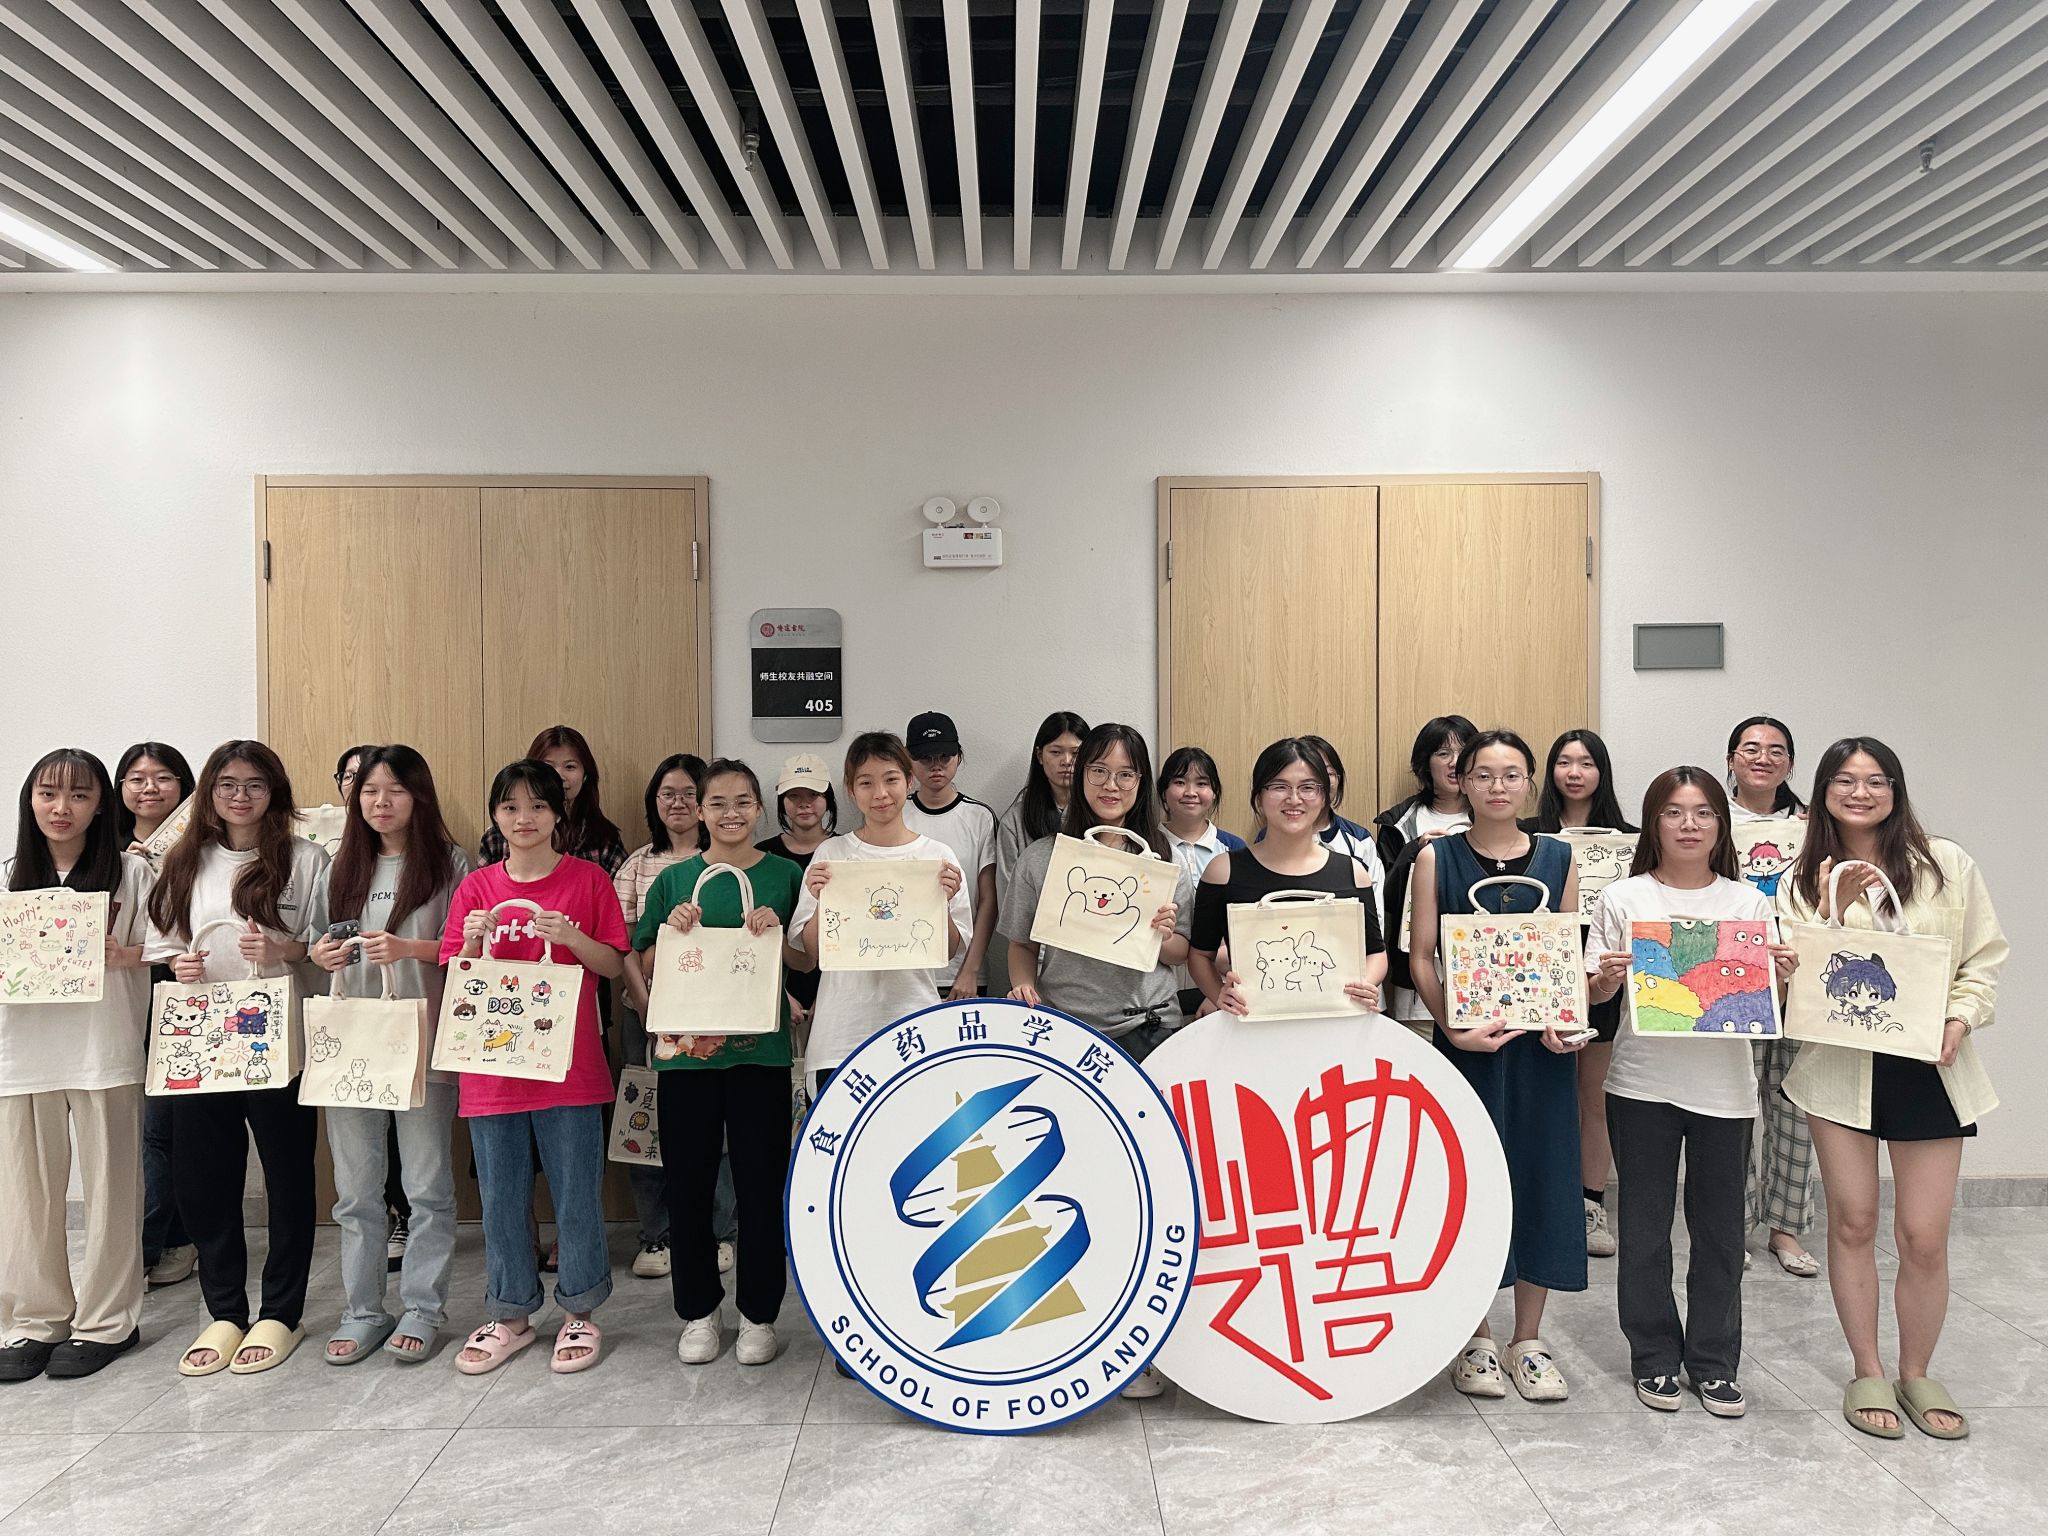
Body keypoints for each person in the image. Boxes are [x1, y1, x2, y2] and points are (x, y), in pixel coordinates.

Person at [1778, 737, 2005, 1442]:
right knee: (1851, 1222)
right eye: (1845, 781)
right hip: (1840, 1069)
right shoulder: (1800, 878)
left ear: (1896, 790)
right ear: (1823, 793)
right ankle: (1868, 1368)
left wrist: (1960, 1020)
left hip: (1930, 1067)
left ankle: (1917, 1370)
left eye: (1876, 780)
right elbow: (1793, 981)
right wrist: (1830, 910)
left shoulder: (1946, 864)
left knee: (1924, 1236)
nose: (1861, 793)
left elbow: (1982, 959)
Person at [1585, 766, 1800, 1418]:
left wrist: (1782, 975)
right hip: (1641, 1084)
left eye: (1703, 812)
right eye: (1674, 812)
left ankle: (1714, 1363)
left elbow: (1765, 1003)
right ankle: (1654, 1358)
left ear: (1720, 825)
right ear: (1653, 823)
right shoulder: (1622, 898)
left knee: (1721, 1235)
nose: (1688, 825)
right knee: (1645, 1232)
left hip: (1725, 1091)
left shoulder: (1749, 904)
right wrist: (1605, 979)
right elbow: (1592, 992)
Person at [1408, 729, 1587, 1402]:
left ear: (1529, 783)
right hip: (1468, 1052)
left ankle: (1528, 1341)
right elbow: (1420, 956)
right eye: (1484, 775)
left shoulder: (1559, 858)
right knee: (1471, 1183)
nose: (1498, 787)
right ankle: (1477, 1338)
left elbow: (1566, 952)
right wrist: (1453, 1029)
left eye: (1512, 774)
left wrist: (1563, 1022)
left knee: (1543, 1175)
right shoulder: (1437, 858)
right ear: (1462, 782)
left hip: (1541, 1052)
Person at [144, 740, 328, 1376]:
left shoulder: (304, 858)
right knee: (204, 1179)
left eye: (254, 784)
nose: (240, 796)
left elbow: (324, 944)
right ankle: (224, 1310)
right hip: (200, 1039)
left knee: (288, 1175)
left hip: (277, 1040)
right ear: (210, 793)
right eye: (227, 784)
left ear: (274, 791)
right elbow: (163, 939)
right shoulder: (184, 858)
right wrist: (179, 963)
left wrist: (285, 951)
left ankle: (282, 1311)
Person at [442, 760, 627, 1376]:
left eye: (538, 806)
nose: (524, 818)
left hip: (569, 1066)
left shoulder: (589, 880)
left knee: (576, 1193)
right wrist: (473, 940)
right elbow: (458, 977)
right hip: (491, 1071)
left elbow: (611, 964)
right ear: (495, 816)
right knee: (500, 1198)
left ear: (558, 813)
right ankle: (512, 1314)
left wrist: (570, 937)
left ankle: (580, 1309)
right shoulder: (476, 888)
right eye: (511, 807)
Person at [634, 759, 811, 1368]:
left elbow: (807, 962)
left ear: (760, 809)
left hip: (761, 1054)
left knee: (761, 1186)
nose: (730, 813)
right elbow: (646, 962)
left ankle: (759, 1314)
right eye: (718, 803)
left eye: (743, 802)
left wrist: (780, 930)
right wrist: (671, 930)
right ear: (701, 811)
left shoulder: (786, 874)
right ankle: (698, 1312)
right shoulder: (674, 880)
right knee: (689, 1186)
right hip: (686, 1061)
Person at [307, 746, 470, 1365]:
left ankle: (424, 1307)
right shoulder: (338, 864)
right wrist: (322, 954)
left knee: (426, 1186)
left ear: (418, 796)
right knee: (355, 1191)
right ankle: (363, 1311)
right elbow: (315, 942)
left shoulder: (450, 863)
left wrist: (408, 948)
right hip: (352, 1042)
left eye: (395, 790)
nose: (380, 802)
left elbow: (465, 948)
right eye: (370, 791)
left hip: (423, 1040)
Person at [0, 750, 154, 1382]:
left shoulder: (131, 873)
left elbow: (171, 948)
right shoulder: (8, 877)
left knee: (113, 1191)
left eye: (79, 795)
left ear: (100, 805)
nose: (61, 808)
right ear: (29, 801)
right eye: (48, 793)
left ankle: (107, 1321)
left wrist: (124, 955)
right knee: (25, 1196)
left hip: (104, 1048)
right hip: (22, 1054)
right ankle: (36, 1319)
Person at [792, 732, 970, 1093]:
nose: (880, 794)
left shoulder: (937, 857)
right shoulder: (832, 855)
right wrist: (822, 900)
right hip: (841, 1034)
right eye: (866, 783)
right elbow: (812, 952)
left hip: (914, 1027)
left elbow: (950, 951)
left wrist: (944, 903)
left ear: (909, 781)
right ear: (850, 789)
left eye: (891, 779)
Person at [1523, 729, 1638, 1262]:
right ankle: (1540, 1200)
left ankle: (1591, 1203)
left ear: (1602, 771)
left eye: (1586, 763)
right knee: (1544, 1094)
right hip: (1535, 975)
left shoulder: (1631, 840)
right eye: (1564, 762)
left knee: (1594, 1095)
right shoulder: (1527, 836)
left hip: (1604, 976)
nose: (1574, 773)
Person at [1187, 737, 1387, 1016]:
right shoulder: (1224, 871)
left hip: (1335, 1021)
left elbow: (1376, 953)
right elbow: (1199, 955)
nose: (1294, 799)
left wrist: (1365, 984)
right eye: (1279, 786)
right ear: (1258, 796)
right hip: (1253, 1025)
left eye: (1308, 787)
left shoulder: (1352, 873)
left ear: (1324, 797)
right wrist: (1218, 994)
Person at [1725, 715, 1819, 1278]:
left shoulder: (1814, 824)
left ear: (1790, 764)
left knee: (1793, 1105)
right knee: (1735, 1104)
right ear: (1731, 758)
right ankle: (1732, 1226)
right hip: (1731, 977)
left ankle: (1786, 1229)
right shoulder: (1708, 815)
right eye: (1751, 748)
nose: (1763, 758)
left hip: (1798, 976)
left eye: (1776, 750)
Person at [614, 753, 708, 1281]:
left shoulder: (726, 859)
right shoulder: (638, 864)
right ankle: (656, 1233)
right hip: (646, 1014)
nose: (679, 803)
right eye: (667, 793)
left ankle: (718, 1232)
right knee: (644, 1120)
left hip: (714, 1016)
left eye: (690, 793)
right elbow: (622, 944)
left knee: (711, 1126)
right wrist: (645, 1004)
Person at [114, 741, 198, 1289]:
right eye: (137, 778)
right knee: (142, 1131)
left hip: (182, 993)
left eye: (164, 777)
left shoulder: (204, 848)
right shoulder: (106, 853)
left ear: (184, 788)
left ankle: (168, 1241)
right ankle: (165, 1238)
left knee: (167, 1128)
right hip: (122, 1004)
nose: (150, 788)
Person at [902, 711, 999, 1001]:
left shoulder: (979, 817)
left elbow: (988, 900)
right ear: (908, 760)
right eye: (925, 758)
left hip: (962, 975)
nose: (936, 766)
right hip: (904, 969)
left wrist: (971, 971)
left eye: (944, 756)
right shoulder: (894, 813)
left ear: (958, 756)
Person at [1158, 746, 1246, 1018]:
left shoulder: (1234, 849)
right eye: (1179, 782)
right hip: (1159, 991)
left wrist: (1213, 991)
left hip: (1224, 989)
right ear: (1163, 791)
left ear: (1214, 791)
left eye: (1202, 783)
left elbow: (1246, 928)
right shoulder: (1145, 848)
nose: (1190, 792)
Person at [478, 725, 628, 875]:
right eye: (547, 766)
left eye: (570, 767)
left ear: (585, 775)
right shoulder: (498, 836)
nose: (558, 776)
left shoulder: (603, 837)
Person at [1295, 734, 1388, 924]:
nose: (1321, 782)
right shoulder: (1273, 838)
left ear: (1338, 779)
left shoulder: (1359, 839)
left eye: (1328, 773)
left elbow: (1376, 911)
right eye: (1312, 773)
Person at [995, 711, 1088, 894]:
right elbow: (1008, 895)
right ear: (1039, 755)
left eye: (1076, 753)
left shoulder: (1102, 814)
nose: (1067, 761)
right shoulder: (1015, 821)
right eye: (1056, 752)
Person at [1373, 714, 1477, 870]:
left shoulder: (1493, 815)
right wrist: (1415, 853)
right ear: (1427, 763)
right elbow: (1387, 884)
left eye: (1464, 753)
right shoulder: (1398, 824)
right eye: (1444, 753)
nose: (1455, 762)